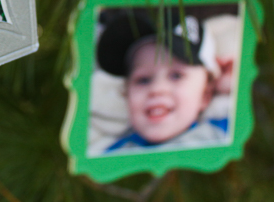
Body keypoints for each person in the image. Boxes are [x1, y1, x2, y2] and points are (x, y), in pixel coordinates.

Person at [97, 12, 228, 151]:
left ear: (205, 95)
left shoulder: (221, 134)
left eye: (176, 76)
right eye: (143, 80)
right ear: (126, 94)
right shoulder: (115, 154)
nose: (157, 89)